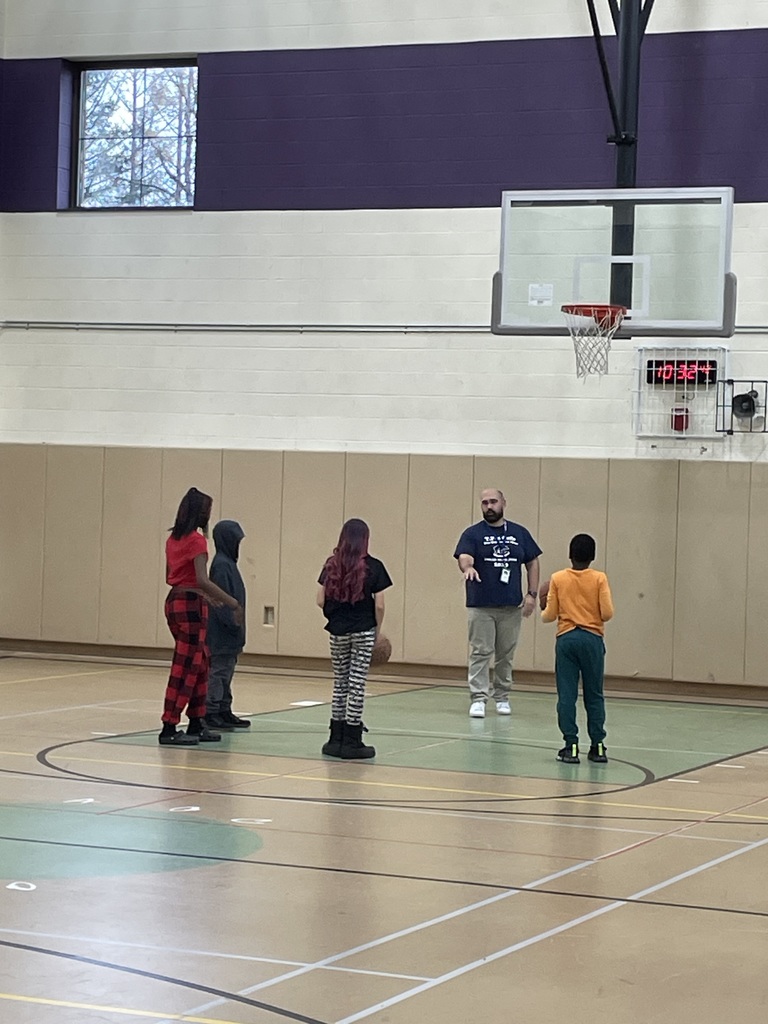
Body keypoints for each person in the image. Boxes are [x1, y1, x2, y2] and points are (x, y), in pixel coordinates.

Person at [160, 488, 244, 746]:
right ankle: (169, 725)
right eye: (207, 510)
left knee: (201, 663)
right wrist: (231, 603)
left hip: (176, 601)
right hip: (190, 607)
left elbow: (171, 578)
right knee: (185, 666)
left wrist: (202, 594)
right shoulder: (197, 541)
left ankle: (196, 722)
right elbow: (201, 579)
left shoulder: (172, 540)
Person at [454, 489, 541, 718]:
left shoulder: (519, 533)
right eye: (484, 503)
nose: (489, 506)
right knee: (480, 652)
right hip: (481, 605)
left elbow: (532, 562)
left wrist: (532, 594)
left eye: (493, 502)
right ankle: (478, 698)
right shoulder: (472, 534)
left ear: (503, 503)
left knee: (506, 653)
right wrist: (468, 567)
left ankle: (502, 695)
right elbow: (464, 555)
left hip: (511, 606)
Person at [316, 518, 392, 759]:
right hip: (363, 630)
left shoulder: (331, 565)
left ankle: (335, 738)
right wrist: (377, 631)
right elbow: (379, 605)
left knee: (340, 683)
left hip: (337, 631)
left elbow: (320, 599)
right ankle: (352, 740)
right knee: (357, 683)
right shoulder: (374, 566)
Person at [540, 533, 614, 765]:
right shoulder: (600, 579)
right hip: (592, 639)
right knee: (594, 695)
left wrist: (544, 605)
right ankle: (598, 746)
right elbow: (607, 613)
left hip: (567, 639)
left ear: (570, 555)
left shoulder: (558, 578)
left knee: (567, 695)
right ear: (592, 556)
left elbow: (549, 616)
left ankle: (571, 745)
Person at [205, 519, 250, 732]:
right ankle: (211, 710)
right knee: (219, 671)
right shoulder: (222, 565)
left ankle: (224, 708)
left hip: (231, 633)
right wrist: (232, 623)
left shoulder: (229, 564)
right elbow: (221, 601)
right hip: (222, 631)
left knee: (227, 671)